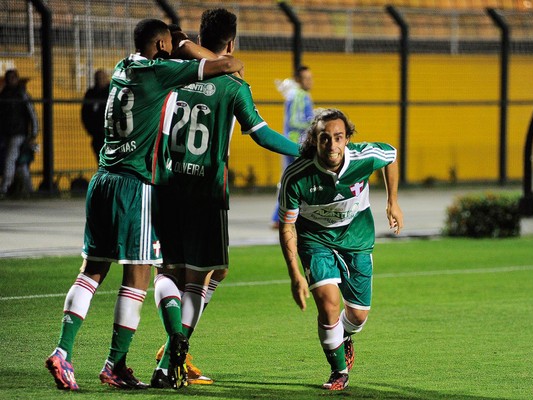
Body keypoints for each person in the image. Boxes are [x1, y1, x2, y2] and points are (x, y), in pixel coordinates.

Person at [45, 18, 244, 391]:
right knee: (138, 278)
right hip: (135, 184)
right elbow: (231, 66)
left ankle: (63, 352)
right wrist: (185, 46)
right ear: (160, 45)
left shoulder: (123, 66)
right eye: (166, 44)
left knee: (91, 271)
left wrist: (172, 43)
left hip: (102, 179)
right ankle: (114, 364)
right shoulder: (161, 71)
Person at [148, 9, 300, 389]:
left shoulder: (171, 74)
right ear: (231, 43)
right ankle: (171, 358)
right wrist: (305, 151)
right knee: (199, 277)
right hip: (205, 193)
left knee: (170, 270)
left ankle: (172, 351)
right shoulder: (233, 86)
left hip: (165, 185)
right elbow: (262, 134)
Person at [277, 108, 403, 391]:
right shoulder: (296, 176)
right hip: (315, 239)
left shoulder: (364, 157)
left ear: (347, 139)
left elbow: (391, 155)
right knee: (329, 303)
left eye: (338, 137)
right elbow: (287, 228)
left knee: (357, 315)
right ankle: (338, 372)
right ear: (315, 139)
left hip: (356, 237)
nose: (332, 145)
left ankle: (342, 337)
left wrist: (392, 201)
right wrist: (295, 273)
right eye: (325, 138)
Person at [271, 65, 314, 228]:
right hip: (296, 144)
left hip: (291, 142)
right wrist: (313, 121)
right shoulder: (300, 95)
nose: (310, 81)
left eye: (311, 78)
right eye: (306, 78)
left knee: (289, 180)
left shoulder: (295, 94)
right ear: (298, 80)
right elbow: (294, 121)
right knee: (302, 179)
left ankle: (279, 217)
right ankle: (287, 217)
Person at [0, 69, 38, 197]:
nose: (11, 80)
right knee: (20, 163)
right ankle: (29, 189)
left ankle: (5, 187)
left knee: (10, 159)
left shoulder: (22, 95)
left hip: (18, 134)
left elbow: (32, 115)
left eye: (13, 77)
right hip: (5, 134)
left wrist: (33, 133)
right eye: (8, 78)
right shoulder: (3, 95)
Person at [81, 69, 109, 164]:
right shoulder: (91, 94)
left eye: (102, 78)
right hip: (97, 136)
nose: (100, 80)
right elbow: (85, 115)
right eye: (98, 78)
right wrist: (92, 131)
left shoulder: (113, 92)